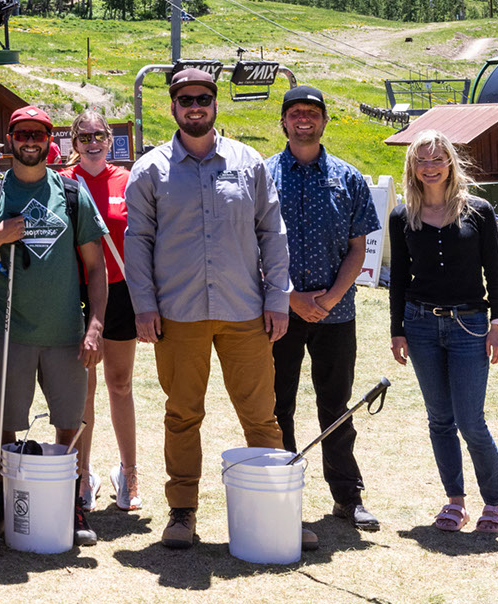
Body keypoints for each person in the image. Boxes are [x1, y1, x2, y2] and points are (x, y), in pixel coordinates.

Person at [124, 69, 291, 550]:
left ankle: (274, 507)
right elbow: (138, 243)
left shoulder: (248, 162)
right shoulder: (150, 170)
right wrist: (143, 307)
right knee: (181, 415)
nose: (194, 107)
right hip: (178, 314)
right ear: (172, 107)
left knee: (261, 416)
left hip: (244, 311)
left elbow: (272, 235)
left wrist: (277, 299)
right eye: (185, 100)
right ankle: (182, 512)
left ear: (215, 105)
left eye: (202, 99)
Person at [0, 105, 110, 548]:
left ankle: (69, 501)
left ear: (51, 141)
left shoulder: (71, 193)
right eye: (22, 133)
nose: (30, 141)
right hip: (7, 330)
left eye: (39, 134)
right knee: (5, 424)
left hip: (66, 333)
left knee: (70, 422)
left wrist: (95, 325)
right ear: (9, 139)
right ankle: (4, 502)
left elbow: (96, 266)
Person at [264, 87, 384, 535]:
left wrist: (330, 297)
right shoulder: (264, 174)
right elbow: (251, 244)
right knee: (278, 407)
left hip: (337, 313)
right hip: (279, 312)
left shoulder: (348, 177)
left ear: (324, 121)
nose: (303, 120)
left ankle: (347, 498)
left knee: (335, 406)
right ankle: (282, 494)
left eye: (312, 113)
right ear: (284, 121)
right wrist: (291, 297)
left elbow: (359, 247)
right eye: (295, 113)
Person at [388, 129, 498, 535]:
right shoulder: (401, 216)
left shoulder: (477, 211)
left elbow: (494, 271)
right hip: (420, 324)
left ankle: (494, 503)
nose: (429, 167)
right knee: (440, 419)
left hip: (470, 324)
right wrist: (397, 330)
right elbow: (400, 279)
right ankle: (454, 502)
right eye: (421, 161)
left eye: (437, 159)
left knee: (471, 420)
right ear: (412, 167)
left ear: (450, 163)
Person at [57, 109, 141, 513]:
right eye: (84, 136)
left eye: (99, 136)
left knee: (120, 383)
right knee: (82, 388)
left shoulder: (128, 180)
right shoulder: (62, 183)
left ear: (111, 140)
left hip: (120, 291)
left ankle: (129, 471)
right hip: (74, 292)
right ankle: (83, 472)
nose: (93, 142)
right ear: (74, 143)